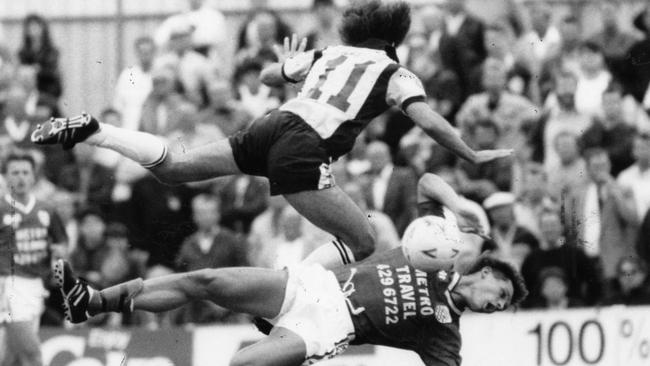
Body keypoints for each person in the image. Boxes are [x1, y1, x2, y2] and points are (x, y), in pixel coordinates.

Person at [32, 1, 511, 270]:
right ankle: (292, 296)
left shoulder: (329, 54)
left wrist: (287, 66)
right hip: (302, 146)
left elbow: (264, 76)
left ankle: (97, 131)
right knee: (364, 242)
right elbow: (426, 120)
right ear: (393, 42)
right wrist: (467, 151)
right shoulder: (396, 71)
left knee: (175, 170)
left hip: (271, 125)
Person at [53, 172, 526, 365]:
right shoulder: (435, 252)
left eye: (501, 306)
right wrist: (457, 200)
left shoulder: (445, 333)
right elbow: (426, 182)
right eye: (500, 293)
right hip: (310, 283)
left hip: (328, 326)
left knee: (242, 364)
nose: (496, 304)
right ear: (486, 272)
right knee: (207, 280)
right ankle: (90, 302)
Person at [0, 151, 67, 366]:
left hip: (36, 285)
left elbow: (61, 242)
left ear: (33, 176)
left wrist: (59, 253)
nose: (20, 177)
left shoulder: (46, 209)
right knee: (32, 354)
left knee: (11, 357)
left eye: (25, 172)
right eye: (15, 172)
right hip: (9, 285)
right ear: (6, 177)